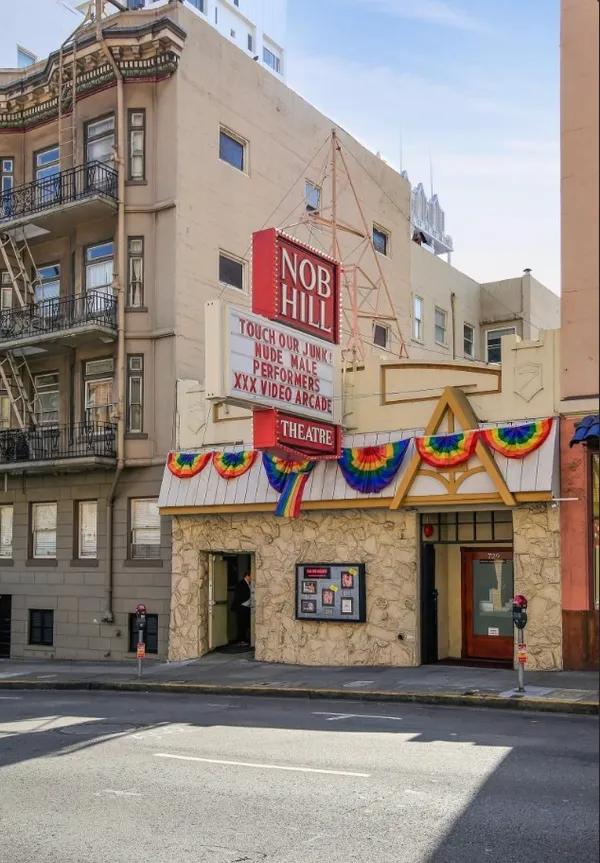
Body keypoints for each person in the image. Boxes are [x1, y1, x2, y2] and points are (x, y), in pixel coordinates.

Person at [231, 571, 252, 645]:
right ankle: (241, 640)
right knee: (241, 624)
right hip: (241, 607)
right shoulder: (241, 584)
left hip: (247, 607)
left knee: (246, 623)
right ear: (247, 576)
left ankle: (245, 639)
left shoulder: (249, 584)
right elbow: (238, 595)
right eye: (251, 576)